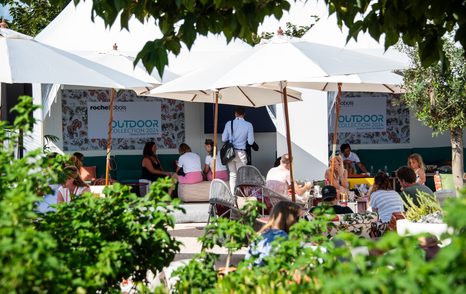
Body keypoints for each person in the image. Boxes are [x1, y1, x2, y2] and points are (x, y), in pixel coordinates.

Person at [245, 201, 302, 266]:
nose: (299, 222)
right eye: (297, 218)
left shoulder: (260, 235)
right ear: (290, 219)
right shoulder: (282, 237)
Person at [222, 106, 255, 193]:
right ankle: (242, 195)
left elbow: (223, 139)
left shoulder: (229, 123)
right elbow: (251, 142)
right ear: (244, 114)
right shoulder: (248, 125)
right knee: (242, 175)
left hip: (230, 153)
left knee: (233, 175)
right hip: (241, 152)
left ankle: (233, 196)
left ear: (235, 113)